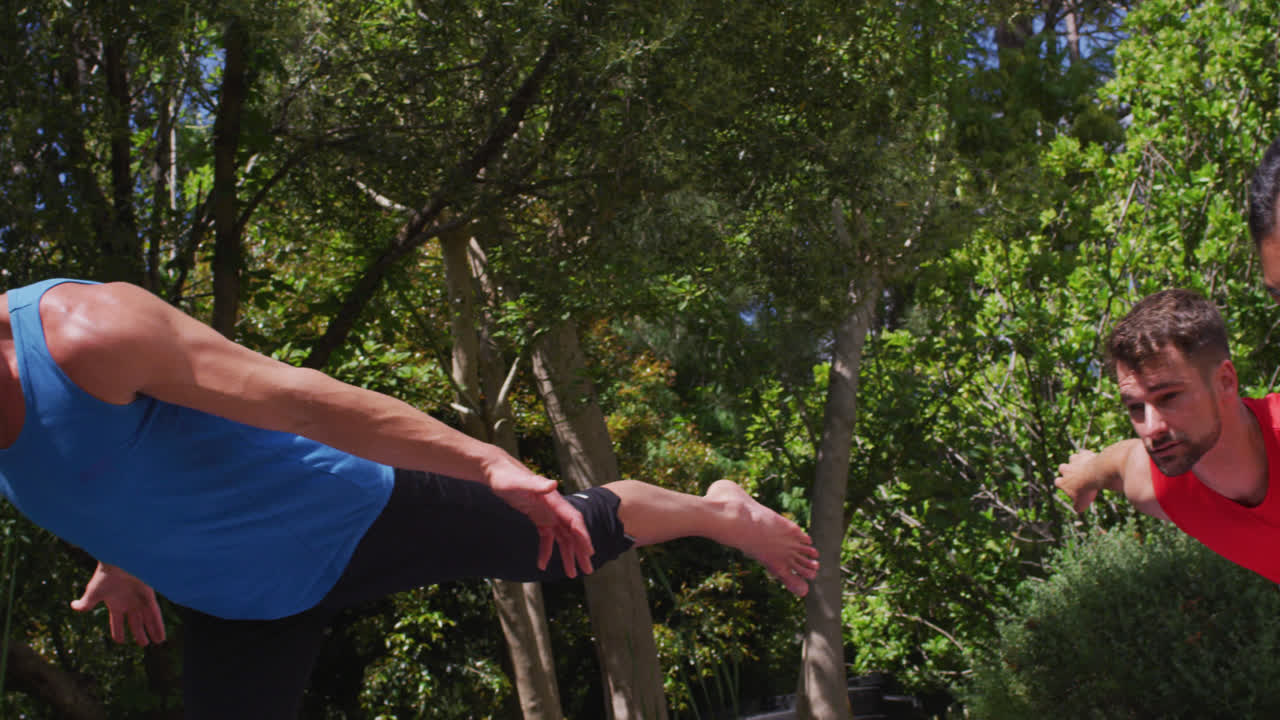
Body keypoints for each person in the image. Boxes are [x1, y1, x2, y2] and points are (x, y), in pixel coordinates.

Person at [0, 277, 820, 718]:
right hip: (239, 606)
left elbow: (298, 399)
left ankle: (721, 511)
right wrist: (119, 556)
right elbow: (92, 466)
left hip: (349, 510)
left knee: (576, 538)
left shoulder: (89, 335)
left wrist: (485, 460)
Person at [1054, 288, 1280, 582]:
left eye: (1169, 397)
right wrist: (1085, 474)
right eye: (1135, 406)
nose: (1151, 428)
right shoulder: (1164, 490)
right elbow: (1121, 462)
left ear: (1225, 382)